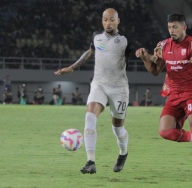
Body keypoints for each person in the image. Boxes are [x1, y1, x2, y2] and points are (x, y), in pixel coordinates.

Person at [135, 13, 192, 180]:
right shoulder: (163, 46)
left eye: (175, 27)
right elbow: (155, 71)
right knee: (164, 131)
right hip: (173, 95)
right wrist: (145, 58)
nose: (171, 30)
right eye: (169, 27)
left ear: (184, 27)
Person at [55, 8, 137, 174]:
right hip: (99, 83)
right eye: (105, 19)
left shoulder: (125, 40)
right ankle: (90, 161)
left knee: (118, 128)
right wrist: (72, 67)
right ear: (102, 21)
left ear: (118, 21)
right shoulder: (96, 37)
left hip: (119, 88)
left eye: (112, 20)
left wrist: (149, 57)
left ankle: (123, 153)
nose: (108, 23)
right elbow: (90, 52)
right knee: (90, 116)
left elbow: (141, 54)